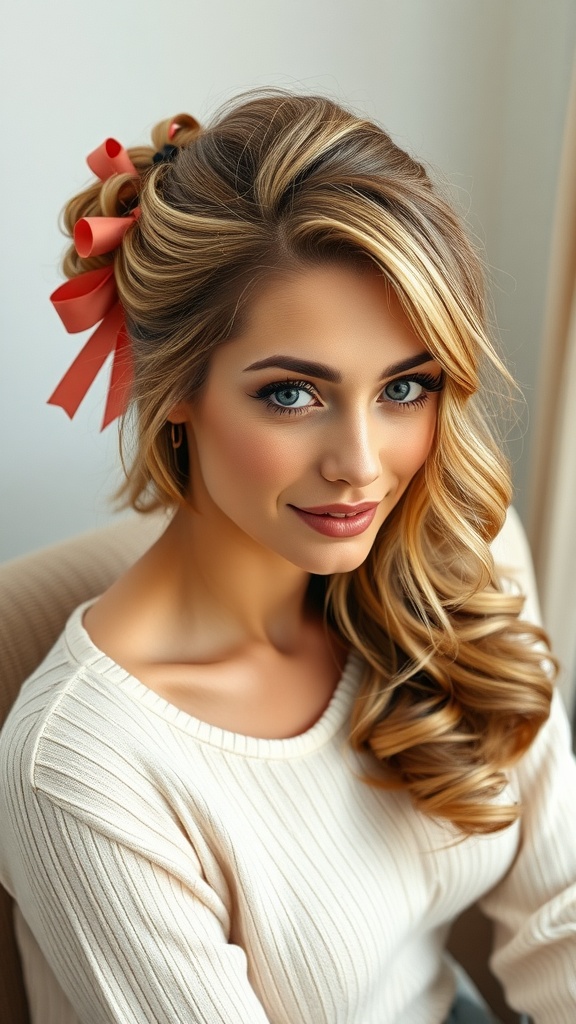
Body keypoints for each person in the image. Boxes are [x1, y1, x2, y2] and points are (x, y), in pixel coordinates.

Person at [0, 90, 574, 1024]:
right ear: (172, 385)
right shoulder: (83, 770)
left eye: (405, 387)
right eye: (293, 396)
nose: (363, 466)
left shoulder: (457, 554)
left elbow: (563, 914)